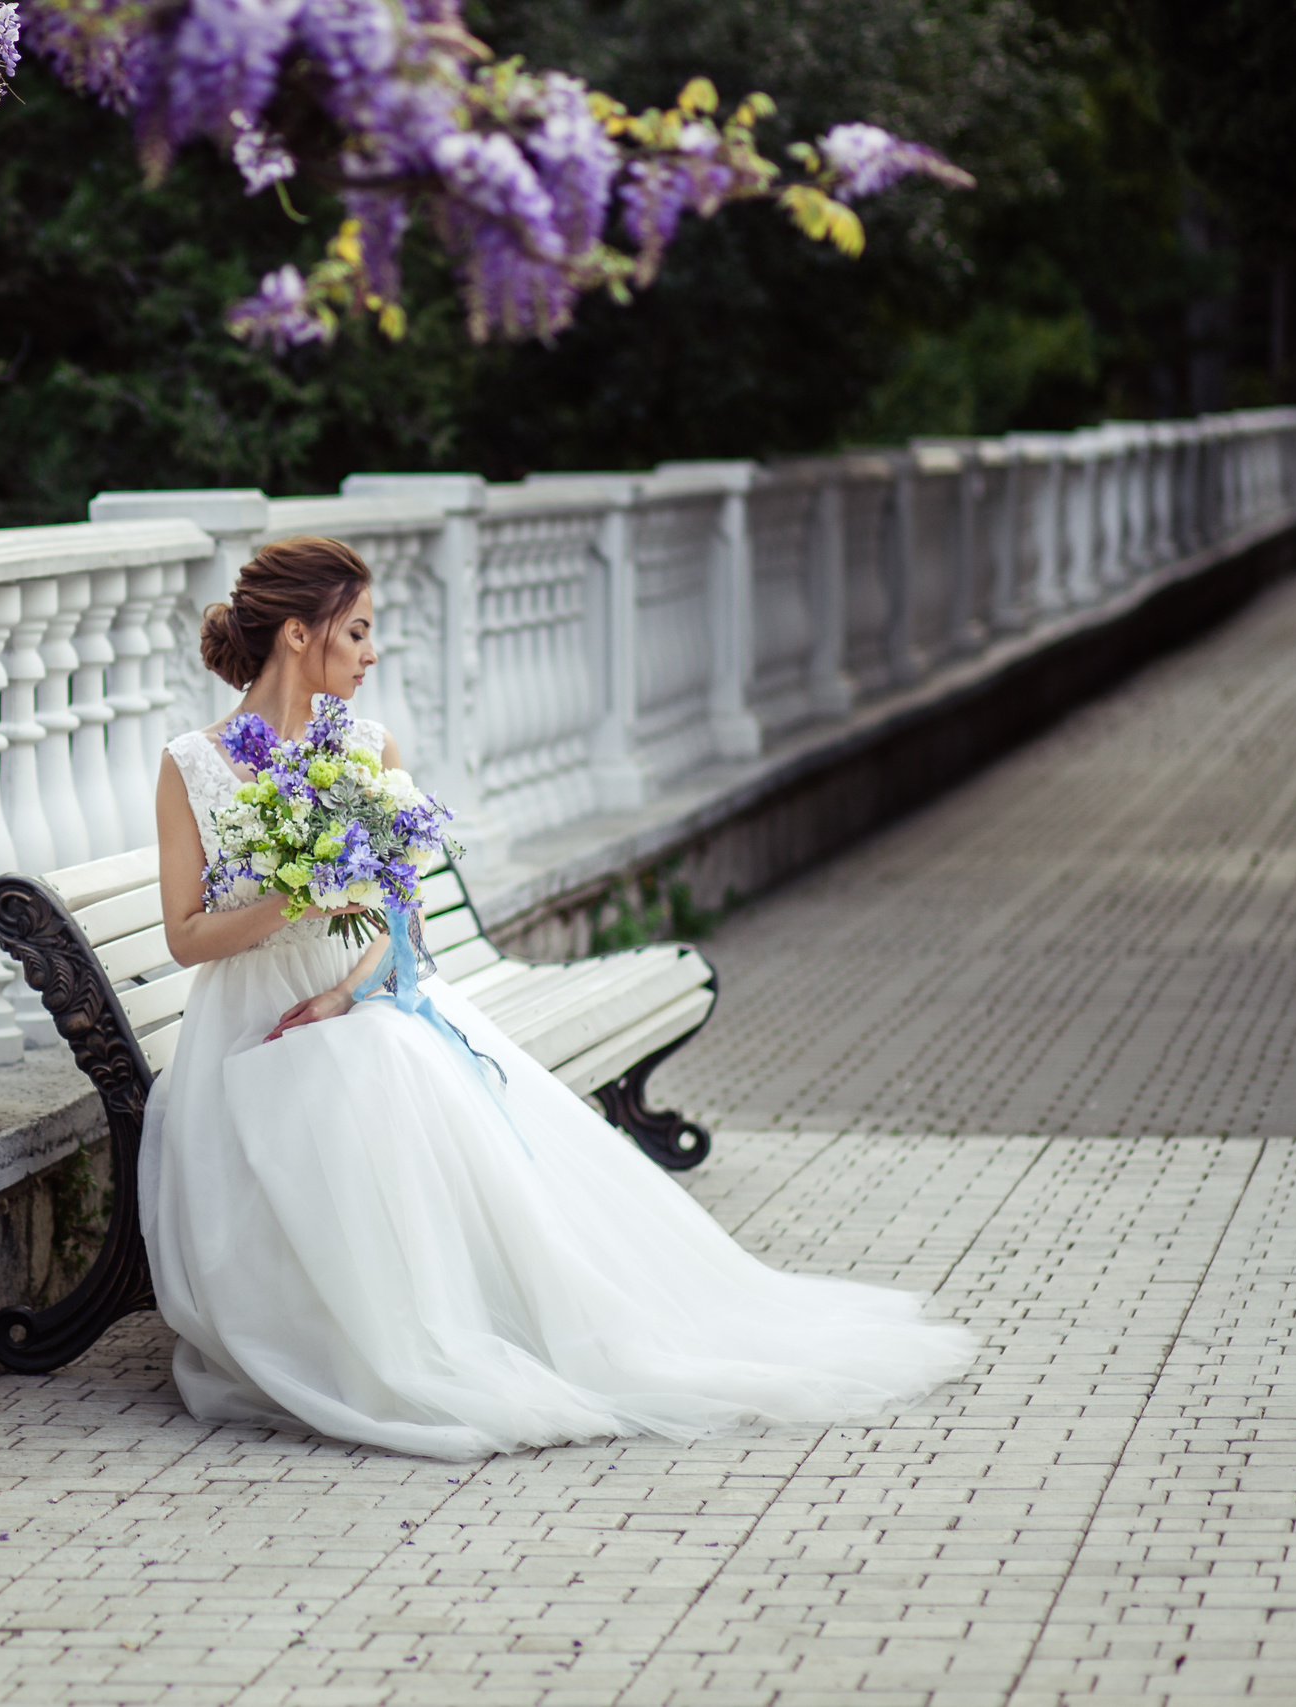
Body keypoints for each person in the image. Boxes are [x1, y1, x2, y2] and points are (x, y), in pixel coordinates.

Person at [143, 536, 976, 1459]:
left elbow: (398, 918)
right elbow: (185, 935)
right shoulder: (193, 764)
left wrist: (344, 995)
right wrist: (291, 895)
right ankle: (340, 1333)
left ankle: (453, 1324)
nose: (374, 653)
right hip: (245, 1023)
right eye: (360, 631)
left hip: (352, 999)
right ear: (299, 634)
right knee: (362, 1066)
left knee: (374, 1053)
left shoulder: (368, 748)